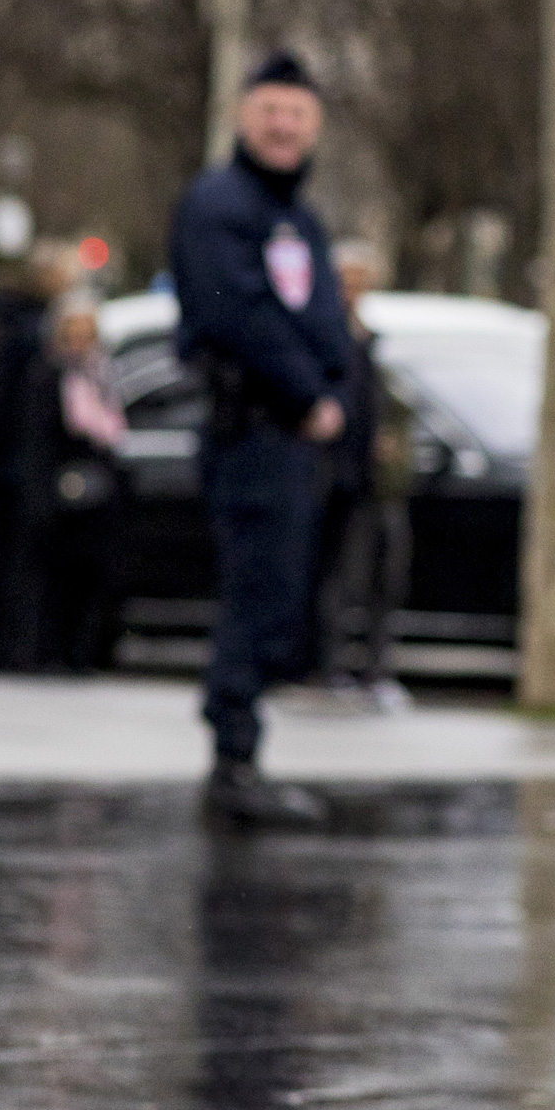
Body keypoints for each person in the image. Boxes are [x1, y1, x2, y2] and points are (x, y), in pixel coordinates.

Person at [169, 50, 352, 824]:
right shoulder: (220, 203)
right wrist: (310, 394)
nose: (284, 127)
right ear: (243, 116)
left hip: (290, 441)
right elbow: (235, 314)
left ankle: (243, 753)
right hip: (252, 432)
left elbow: (317, 318)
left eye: (298, 115)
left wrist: (337, 388)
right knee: (255, 595)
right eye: (271, 111)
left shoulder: (296, 217)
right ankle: (233, 761)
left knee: (279, 596)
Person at [0, 240, 80, 671]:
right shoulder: (32, 332)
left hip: (1, 463)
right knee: (21, 562)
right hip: (24, 465)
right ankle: (16, 651)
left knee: (1, 560)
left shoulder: (2, 320)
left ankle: (1, 648)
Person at [310, 239, 413, 708]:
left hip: (369, 479)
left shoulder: (368, 341)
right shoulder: (320, 337)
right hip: (334, 477)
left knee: (379, 575)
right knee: (340, 576)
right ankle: (329, 663)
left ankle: (371, 666)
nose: (352, 290)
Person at [30, 291, 127, 673]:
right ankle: (56, 649)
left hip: (97, 491)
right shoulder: (51, 375)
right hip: (62, 488)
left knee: (92, 577)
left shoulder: (102, 374)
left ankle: (84, 650)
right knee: (59, 578)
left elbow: (114, 430)